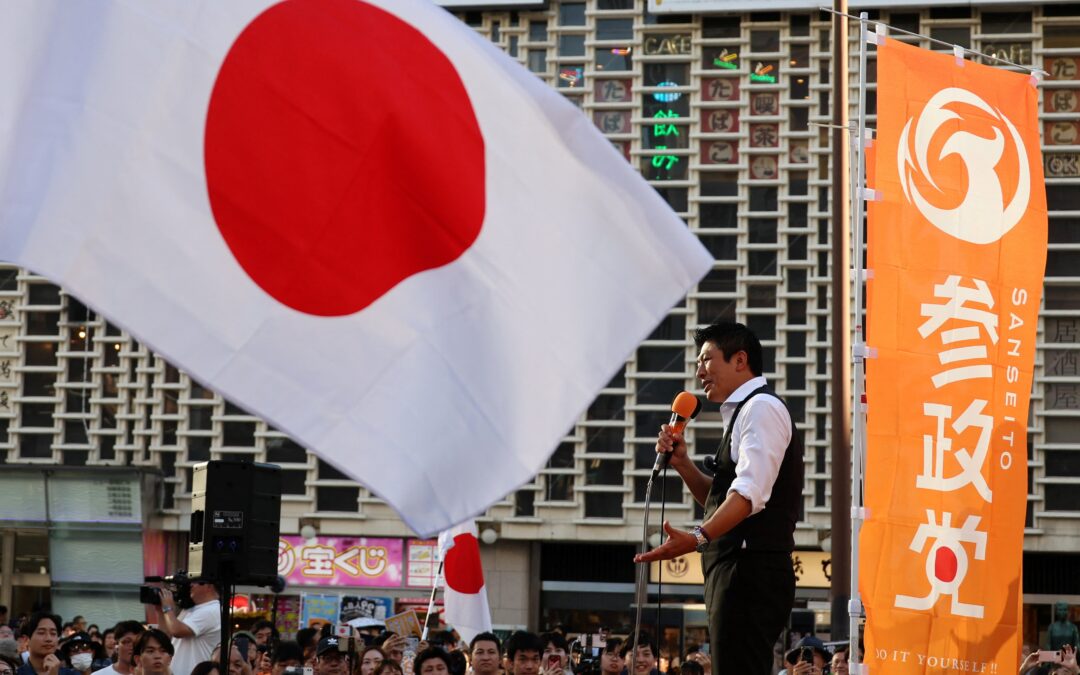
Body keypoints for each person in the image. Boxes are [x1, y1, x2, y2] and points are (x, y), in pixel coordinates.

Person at [635, 322, 803, 675]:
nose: (699, 373)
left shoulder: (761, 409)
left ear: (740, 360)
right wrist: (683, 464)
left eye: (706, 360)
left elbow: (748, 495)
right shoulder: (746, 412)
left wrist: (697, 538)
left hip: (749, 570)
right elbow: (726, 499)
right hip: (739, 569)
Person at [159, 578, 221, 675]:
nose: (191, 585)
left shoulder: (212, 610)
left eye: (195, 581)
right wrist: (160, 609)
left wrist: (168, 608)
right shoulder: (191, 610)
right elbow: (165, 636)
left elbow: (176, 631)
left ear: (209, 585)